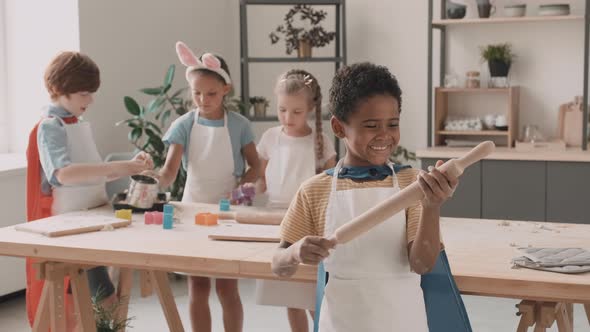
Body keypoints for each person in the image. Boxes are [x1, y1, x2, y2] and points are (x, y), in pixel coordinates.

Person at [271, 62, 459, 331]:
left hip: (403, 322)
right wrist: (294, 252)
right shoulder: (315, 190)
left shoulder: (413, 185)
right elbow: (278, 266)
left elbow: (422, 264)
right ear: (338, 127)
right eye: (371, 125)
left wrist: (432, 205)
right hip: (342, 323)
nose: (384, 135)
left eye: (392, 124)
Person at [26, 51, 152, 330]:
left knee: (99, 296)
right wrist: (120, 166)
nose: (91, 100)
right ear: (62, 90)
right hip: (69, 224)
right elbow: (63, 174)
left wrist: (130, 165)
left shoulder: (77, 124)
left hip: (91, 219)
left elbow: (93, 170)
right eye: (85, 93)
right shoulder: (51, 127)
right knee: (98, 298)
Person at [156, 41, 261, 332]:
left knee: (228, 289)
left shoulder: (239, 125)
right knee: (198, 288)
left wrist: (243, 188)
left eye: (211, 93)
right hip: (193, 210)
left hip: (229, 213)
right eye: (197, 93)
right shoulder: (183, 125)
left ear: (226, 89)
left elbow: (256, 165)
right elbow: (169, 171)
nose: (203, 99)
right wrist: (149, 182)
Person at [255, 69, 336, 332]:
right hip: (275, 220)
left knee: (310, 292)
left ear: (311, 108)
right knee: (288, 293)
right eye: (282, 110)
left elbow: (332, 183)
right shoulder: (270, 138)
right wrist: (250, 188)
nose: (288, 118)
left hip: (308, 222)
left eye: (296, 112)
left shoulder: (321, 142)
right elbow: (261, 177)